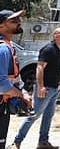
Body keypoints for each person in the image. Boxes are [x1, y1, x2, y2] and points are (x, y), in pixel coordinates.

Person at [10, 27, 60, 149]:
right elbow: (39, 68)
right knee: (34, 115)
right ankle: (16, 142)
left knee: (48, 116)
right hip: (45, 88)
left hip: (55, 89)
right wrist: (41, 86)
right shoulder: (48, 50)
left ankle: (43, 142)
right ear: (55, 35)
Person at [0, 10, 31, 149]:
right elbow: (2, 84)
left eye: (19, 20)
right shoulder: (2, 49)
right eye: (13, 21)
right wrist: (20, 95)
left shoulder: (8, 46)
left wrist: (22, 91)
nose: (19, 22)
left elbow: (15, 78)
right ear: (1, 26)